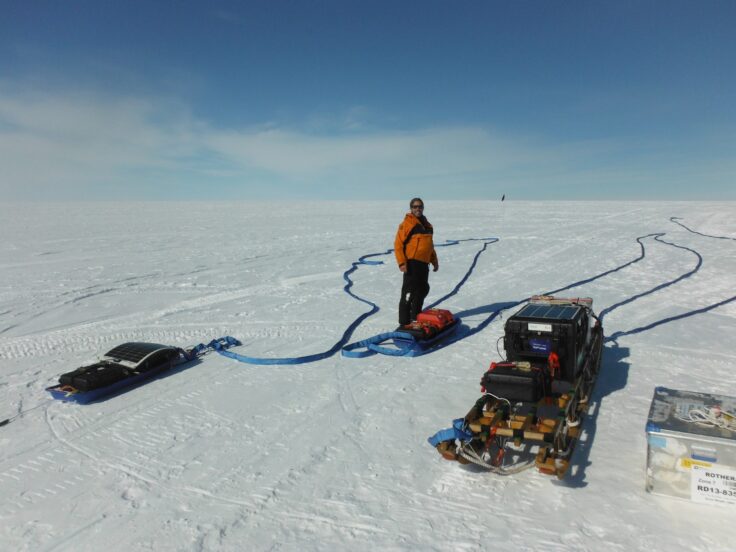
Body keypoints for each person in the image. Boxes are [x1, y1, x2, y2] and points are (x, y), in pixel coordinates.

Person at [394, 197, 439, 326]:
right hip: (411, 263)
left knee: (422, 289)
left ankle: (415, 316)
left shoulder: (427, 225)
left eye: (420, 206)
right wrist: (402, 262)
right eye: (415, 207)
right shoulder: (407, 224)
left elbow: (430, 246)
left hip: (424, 264)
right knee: (408, 292)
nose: (417, 209)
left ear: (423, 208)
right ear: (411, 208)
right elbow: (398, 244)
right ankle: (404, 322)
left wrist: (434, 261)